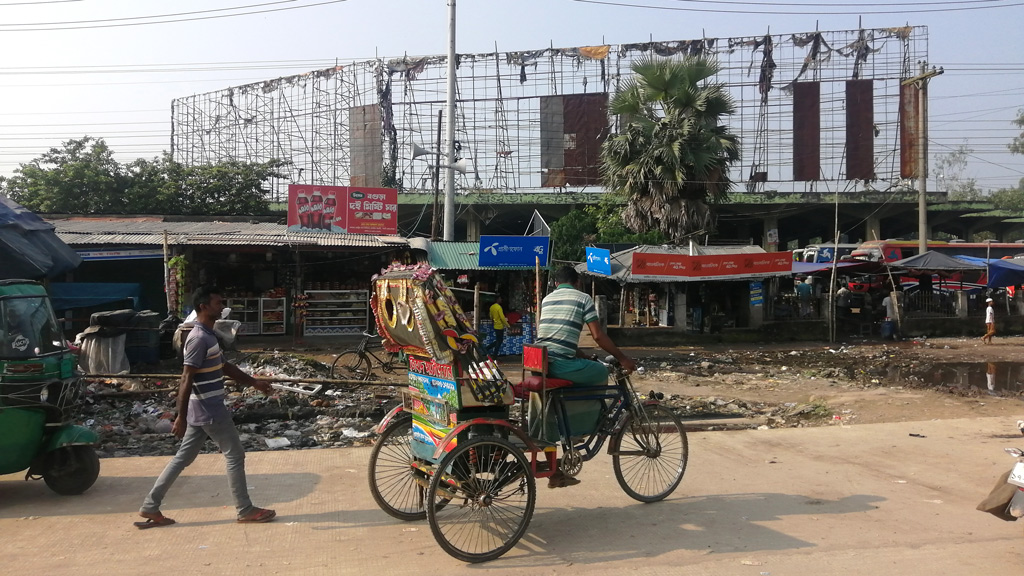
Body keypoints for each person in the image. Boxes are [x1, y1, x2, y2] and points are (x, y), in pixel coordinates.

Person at [136, 286, 277, 529]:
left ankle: (150, 506)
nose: (222, 306)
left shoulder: (209, 335)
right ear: (203, 307)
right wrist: (180, 416)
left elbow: (224, 366)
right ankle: (245, 509)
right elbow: (186, 378)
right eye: (218, 303)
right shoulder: (199, 338)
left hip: (200, 411)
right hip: (209, 409)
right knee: (235, 455)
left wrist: (254, 382)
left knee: (183, 458)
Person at [534, 266, 637, 488]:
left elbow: (556, 337)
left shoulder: (547, 300)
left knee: (562, 396)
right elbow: (598, 336)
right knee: (602, 372)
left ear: (555, 284)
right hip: (561, 364)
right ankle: (583, 428)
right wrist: (623, 358)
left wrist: (583, 356)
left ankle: (566, 438)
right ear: (578, 282)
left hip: (540, 363)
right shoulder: (583, 299)